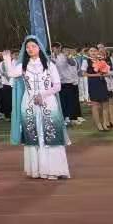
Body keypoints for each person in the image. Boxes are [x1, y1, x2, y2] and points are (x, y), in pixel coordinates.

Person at [6, 35, 71, 180]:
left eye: (33, 46)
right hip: (29, 103)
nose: (30, 49)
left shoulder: (49, 65)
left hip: (48, 102)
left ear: (39, 48)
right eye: (27, 47)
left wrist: (43, 94)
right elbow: (10, 73)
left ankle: (54, 170)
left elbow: (57, 86)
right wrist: (7, 58)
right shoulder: (23, 66)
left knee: (50, 134)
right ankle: (36, 170)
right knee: (33, 135)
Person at [82, 47, 113, 132]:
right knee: (95, 105)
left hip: (103, 83)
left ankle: (105, 123)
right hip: (93, 84)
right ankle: (98, 124)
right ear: (88, 52)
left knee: (105, 104)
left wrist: (106, 74)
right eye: (91, 51)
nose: (93, 52)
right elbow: (84, 74)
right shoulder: (86, 61)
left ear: (98, 52)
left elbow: (107, 72)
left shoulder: (102, 60)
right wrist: (96, 75)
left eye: (95, 51)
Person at [54, 47, 84, 125]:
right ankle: (66, 118)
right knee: (64, 102)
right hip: (62, 83)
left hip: (72, 82)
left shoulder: (70, 57)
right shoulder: (58, 57)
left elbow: (73, 64)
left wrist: (67, 56)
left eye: (68, 50)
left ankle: (74, 117)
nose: (67, 51)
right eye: (65, 50)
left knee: (73, 101)